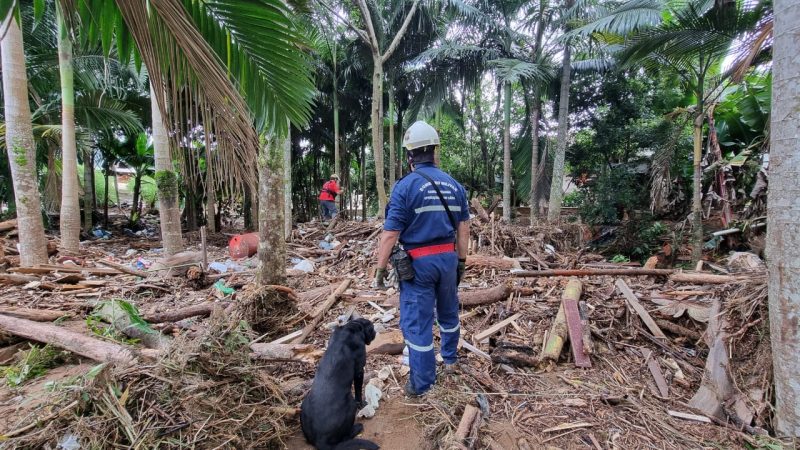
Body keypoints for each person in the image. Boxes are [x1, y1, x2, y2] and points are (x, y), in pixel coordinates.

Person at [373, 121, 470, 397]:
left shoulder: (405, 187)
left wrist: (380, 270)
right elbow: (464, 229)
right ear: (435, 152)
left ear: (410, 155)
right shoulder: (454, 186)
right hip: (448, 260)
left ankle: (423, 383)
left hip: (419, 265)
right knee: (449, 312)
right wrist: (461, 261)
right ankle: (450, 360)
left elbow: (390, 235)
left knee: (418, 324)